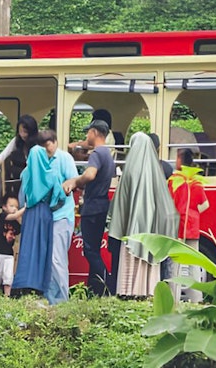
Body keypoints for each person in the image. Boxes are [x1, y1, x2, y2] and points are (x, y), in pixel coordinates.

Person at [108, 132, 178, 297]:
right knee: (149, 262)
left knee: (130, 259)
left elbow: (120, 204)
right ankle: (148, 290)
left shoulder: (129, 172)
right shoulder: (156, 173)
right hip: (152, 235)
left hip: (132, 233)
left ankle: (130, 291)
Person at [64, 120, 116, 296]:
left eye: (88, 133)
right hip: (101, 206)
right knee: (93, 248)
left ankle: (107, 284)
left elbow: (90, 174)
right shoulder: (108, 154)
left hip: (92, 207)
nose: (87, 136)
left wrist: (74, 182)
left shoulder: (97, 154)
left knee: (90, 250)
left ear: (94, 132)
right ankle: (94, 289)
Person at [11, 145, 65, 299]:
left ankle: (23, 284)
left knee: (27, 248)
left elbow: (22, 199)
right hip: (45, 214)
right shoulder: (52, 173)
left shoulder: (26, 174)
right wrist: (51, 207)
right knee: (42, 249)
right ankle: (40, 286)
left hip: (30, 213)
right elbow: (60, 197)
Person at [40, 129, 79, 304]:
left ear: (55, 142)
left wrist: (66, 187)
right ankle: (50, 298)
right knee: (49, 260)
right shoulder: (41, 159)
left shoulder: (64, 159)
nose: (46, 149)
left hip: (62, 216)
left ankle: (61, 301)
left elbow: (74, 181)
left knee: (58, 259)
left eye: (48, 145)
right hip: (47, 217)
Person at [170, 148, 210, 302]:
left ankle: (174, 298)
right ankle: (196, 298)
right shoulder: (196, 181)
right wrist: (194, 212)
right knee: (194, 264)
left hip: (178, 226)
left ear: (180, 161)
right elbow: (205, 204)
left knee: (176, 265)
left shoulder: (174, 181)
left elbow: (169, 202)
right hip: (193, 225)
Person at [0, 115, 39, 206]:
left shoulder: (39, 142)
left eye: (25, 131)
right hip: (22, 181)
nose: (22, 135)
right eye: (20, 131)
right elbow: (3, 155)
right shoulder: (17, 140)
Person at [0, 193, 25, 296]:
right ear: (4, 207)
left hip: (9, 253)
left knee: (8, 275)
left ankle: (7, 295)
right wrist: (24, 209)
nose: (15, 209)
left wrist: (18, 219)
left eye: (17, 207)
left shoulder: (15, 222)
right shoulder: (3, 216)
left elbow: (20, 229)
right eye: (12, 206)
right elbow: (13, 216)